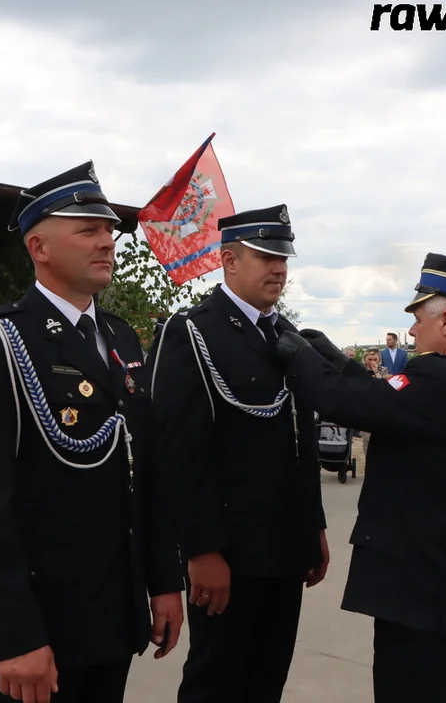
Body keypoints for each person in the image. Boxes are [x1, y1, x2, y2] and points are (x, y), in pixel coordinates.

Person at [0, 161, 184, 703]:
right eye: (88, 229)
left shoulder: (121, 338)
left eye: (108, 231)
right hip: (44, 623)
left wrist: (165, 582)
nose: (107, 242)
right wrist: (14, 634)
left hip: (115, 614)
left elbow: (145, 470)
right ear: (39, 247)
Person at [274, 253, 446, 702]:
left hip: (426, 602)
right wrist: (337, 360)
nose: (412, 331)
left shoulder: (444, 378)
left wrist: (300, 359)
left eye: (419, 318)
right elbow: (383, 399)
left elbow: (346, 404)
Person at [148, 205, 328, 703]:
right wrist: (203, 550)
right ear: (228, 260)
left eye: (283, 258)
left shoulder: (287, 336)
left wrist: (313, 526)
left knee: (267, 679)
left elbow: (301, 441)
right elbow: (178, 453)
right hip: (230, 553)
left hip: (285, 547)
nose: (279, 268)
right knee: (217, 681)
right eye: (266, 256)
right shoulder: (192, 334)